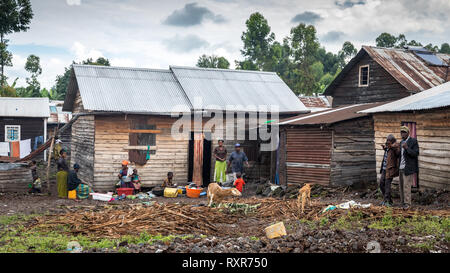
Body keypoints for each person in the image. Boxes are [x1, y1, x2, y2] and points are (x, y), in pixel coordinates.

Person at [398, 126, 419, 210]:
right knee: (401, 186)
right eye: (401, 132)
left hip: (408, 168)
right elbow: (400, 156)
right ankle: (403, 202)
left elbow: (416, 153)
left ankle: (407, 203)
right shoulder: (401, 142)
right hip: (401, 167)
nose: (402, 134)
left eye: (404, 132)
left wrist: (407, 148)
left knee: (407, 186)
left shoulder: (413, 141)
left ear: (408, 133)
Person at [379, 135, 400, 207]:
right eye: (387, 140)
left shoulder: (395, 146)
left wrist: (391, 146)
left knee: (387, 185)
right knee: (381, 184)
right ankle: (389, 200)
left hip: (390, 169)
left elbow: (398, 153)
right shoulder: (388, 147)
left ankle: (387, 201)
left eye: (389, 140)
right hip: (384, 169)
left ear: (392, 141)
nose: (387, 141)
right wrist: (385, 148)